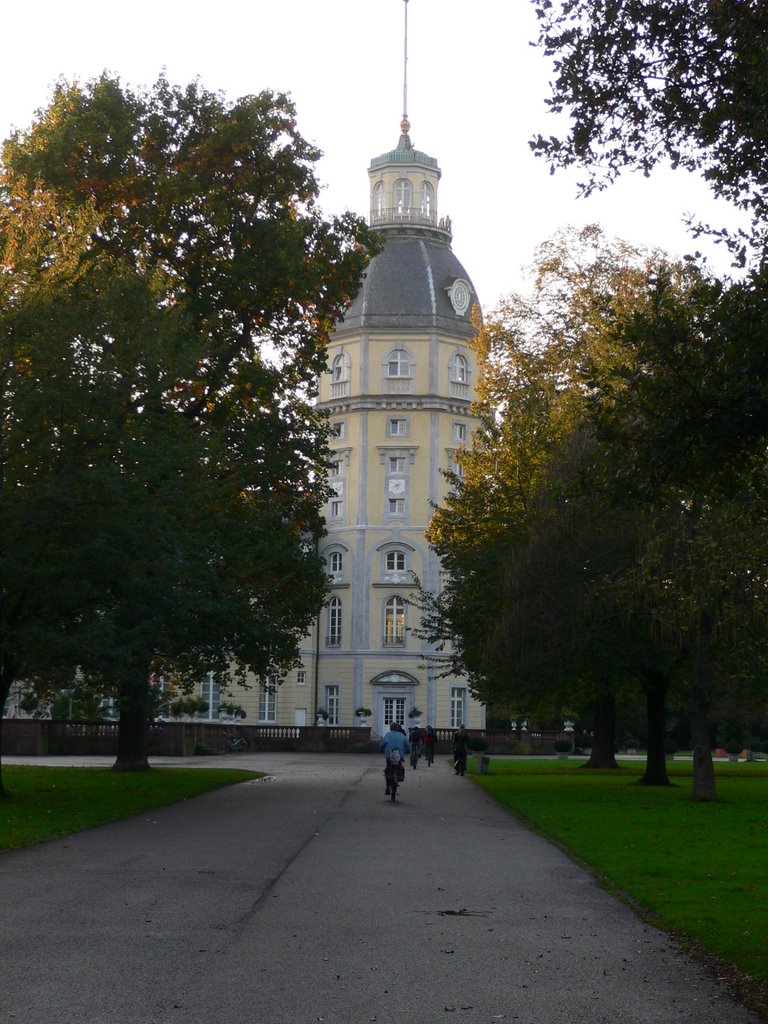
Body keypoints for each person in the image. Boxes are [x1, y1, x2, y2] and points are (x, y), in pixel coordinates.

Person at [380, 723, 411, 794]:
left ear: (390, 728)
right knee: (399, 766)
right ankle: (398, 776)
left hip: (389, 755)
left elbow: (382, 745)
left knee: (387, 769)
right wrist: (408, 751)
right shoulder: (402, 735)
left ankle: (387, 787)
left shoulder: (388, 735)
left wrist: (381, 749)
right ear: (398, 728)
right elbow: (408, 746)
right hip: (399, 756)